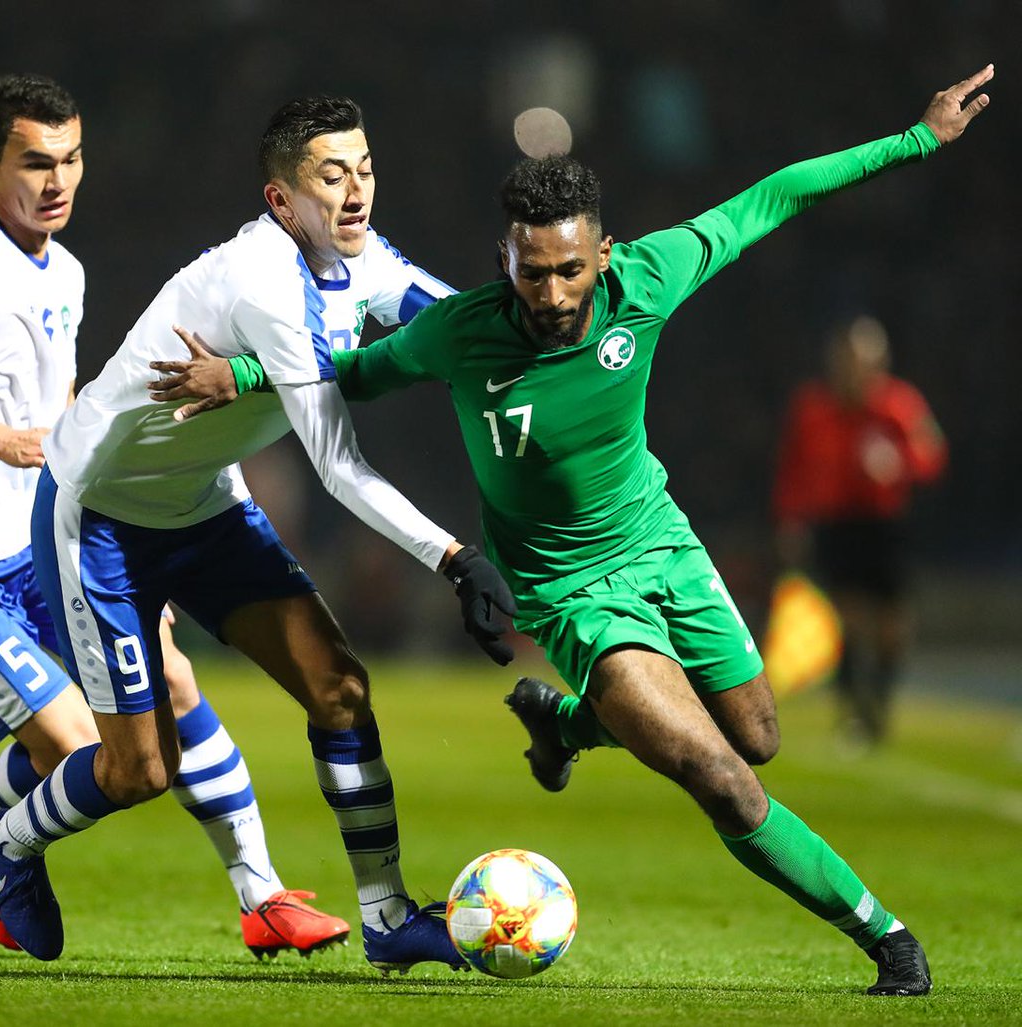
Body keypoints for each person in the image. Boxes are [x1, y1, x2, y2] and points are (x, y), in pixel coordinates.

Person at [177, 65, 993, 996]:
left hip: (662, 542)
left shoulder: (650, 275)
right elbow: (354, 374)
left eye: (571, 270)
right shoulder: (462, 331)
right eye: (532, 272)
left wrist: (916, 139)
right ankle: (886, 937)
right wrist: (243, 376)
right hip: (569, 593)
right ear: (504, 258)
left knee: (757, 732)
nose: (553, 293)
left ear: (602, 254)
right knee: (720, 774)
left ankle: (566, 725)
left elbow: (772, 198)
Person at [0, 94, 514, 970]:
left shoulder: (362, 258)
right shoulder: (263, 282)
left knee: (339, 687)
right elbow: (336, 464)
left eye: (365, 169)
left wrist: (548, 321)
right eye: (331, 176)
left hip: (206, 505)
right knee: (137, 771)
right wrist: (453, 557)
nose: (356, 191)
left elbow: (456, 325)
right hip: (101, 516)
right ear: (281, 199)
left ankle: (386, 917)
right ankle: (7, 842)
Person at [0, 74, 350, 961]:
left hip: (34, 539)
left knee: (173, 684)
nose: (58, 181)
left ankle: (263, 894)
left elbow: (59, 405)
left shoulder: (66, 269)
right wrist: (0, 439)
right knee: (86, 750)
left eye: (71, 159)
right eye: (34, 163)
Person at [773, 316, 947, 747]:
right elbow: (793, 466)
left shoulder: (899, 405)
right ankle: (854, 710)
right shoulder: (813, 407)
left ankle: (880, 702)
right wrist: (791, 518)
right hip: (837, 524)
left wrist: (899, 463)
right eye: (847, 360)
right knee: (847, 618)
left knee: (892, 625)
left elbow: (932, 455)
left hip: (885, 524)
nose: (854, 369)